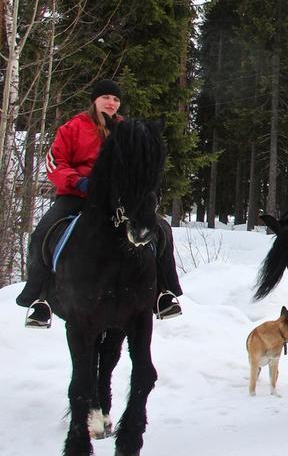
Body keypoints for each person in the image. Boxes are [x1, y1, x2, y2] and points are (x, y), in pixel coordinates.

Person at [15, 79, 184, 328]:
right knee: (44, 230)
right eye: (106, 97)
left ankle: (164, 291)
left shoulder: (127, 129)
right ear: (94, 100)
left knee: (160, 229)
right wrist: (78, 182)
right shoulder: (72, 128)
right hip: (78, 195)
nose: (111, 103)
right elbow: (54, 164)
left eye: (116, 99)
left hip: (117, 199)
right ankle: (39, 297)